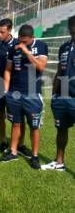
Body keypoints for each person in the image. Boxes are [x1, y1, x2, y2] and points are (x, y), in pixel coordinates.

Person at [0, 24, 48, 170]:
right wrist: (6, 91)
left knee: (34, 126)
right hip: (14, 93)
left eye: (25, 41)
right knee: (15, 123)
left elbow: (41, 67)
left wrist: (26, 51)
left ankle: (34, 155)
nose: (21, 43)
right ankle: (13, 151)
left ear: (32, 37)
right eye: (20, 40)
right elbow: (8, 70)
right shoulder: (13, 48)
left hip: (32, 94)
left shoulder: (40, 46)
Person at [0, 19, 30, 156]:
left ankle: (20, 144)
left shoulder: (17, 44)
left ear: (10, 30)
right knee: (0, 114)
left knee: (18, 117)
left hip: (14, 87)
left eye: (2, 32)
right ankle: (3, 141)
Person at [41, 15, 75, 171]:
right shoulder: (64, 47)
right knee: (61, 129)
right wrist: (54, 94)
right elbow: (59, 71)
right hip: (61, 97)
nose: (72, 29)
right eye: (71, 26)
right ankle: (59, 162)